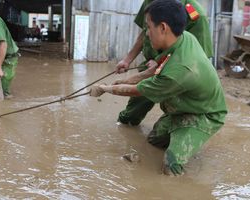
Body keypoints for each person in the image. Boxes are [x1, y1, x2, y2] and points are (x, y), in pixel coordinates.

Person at [89, 0, 227, 176]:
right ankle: (178, 129)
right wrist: (127, 79)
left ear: (163, 28)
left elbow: (139, 90)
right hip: (181, 106)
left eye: (148, 27)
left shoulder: (178, 71)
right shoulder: (183, 37)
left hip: (203, 114)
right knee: (153, 141)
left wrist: (104, 88)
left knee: (171, 163)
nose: (146, 33)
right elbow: (154, 70)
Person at [116, 0, 213, 126]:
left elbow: (197, 58)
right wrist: (127, 60)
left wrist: (161, 62)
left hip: (178, 71)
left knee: (172, 118)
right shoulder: (150, 2)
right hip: (150, 65)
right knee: (129, 117)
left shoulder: (195, 14)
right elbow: (146, 31)